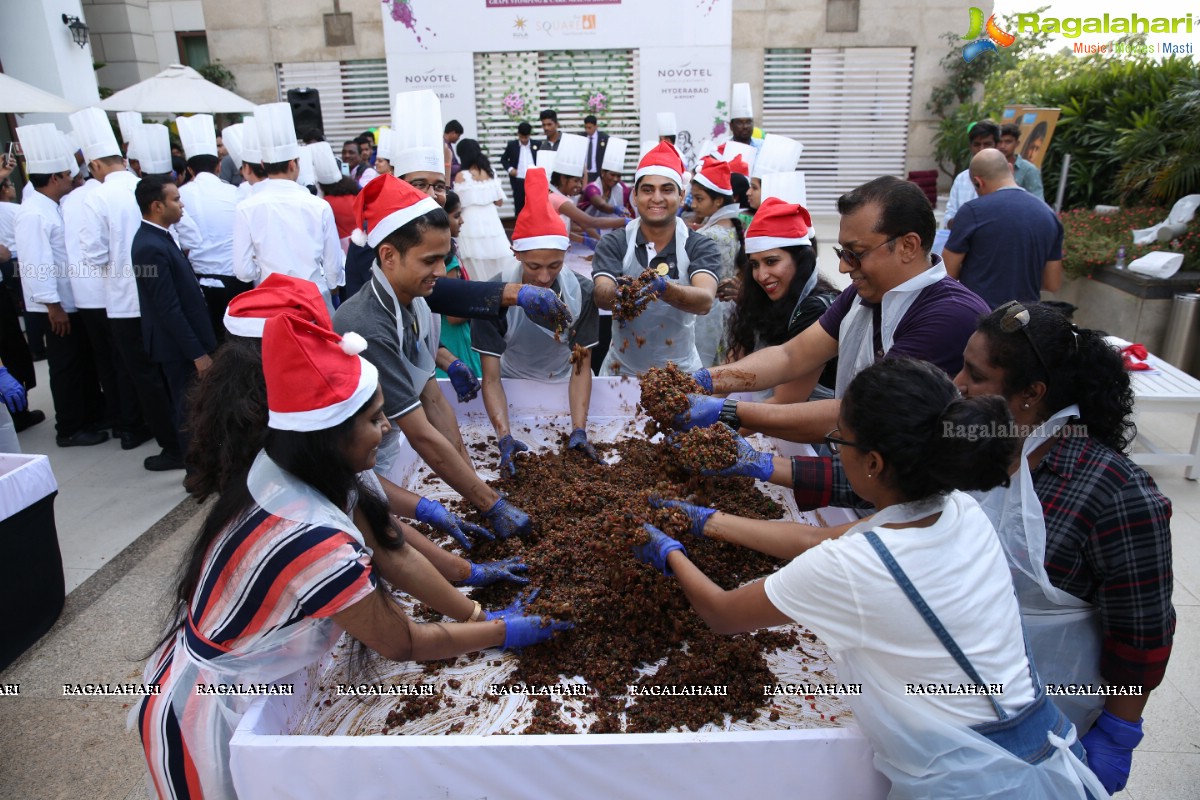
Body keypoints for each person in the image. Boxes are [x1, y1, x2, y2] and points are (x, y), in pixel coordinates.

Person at [136, 311, 569, 800]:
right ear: (328, 436)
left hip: (258, 677)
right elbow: (401, 640)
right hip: (212, 713)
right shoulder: (312, 541)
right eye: (373, 419)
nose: (386, 429)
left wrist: (472, 591)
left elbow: (393, 552)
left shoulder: (303, 468)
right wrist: (503, 631)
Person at [633, 357, 1105, 798]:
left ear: (874, 463)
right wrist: (702, 520)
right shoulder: (959, 508)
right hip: (1045, 745)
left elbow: (721, 613)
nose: (837, 448)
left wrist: (670, 549)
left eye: (840, 441)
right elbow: (819, 541)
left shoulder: (856, 567)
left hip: (975, 780)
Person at [682, 176, 990, 444]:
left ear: (908, 246)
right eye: (842, 253)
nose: (843, 267)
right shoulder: (862, 296)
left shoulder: (946, 316)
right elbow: (791, 356)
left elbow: (860, 414)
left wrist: (729, 413)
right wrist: (703, 380)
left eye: (856, 254)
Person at [333, 175, 533, 537]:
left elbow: (434, 401)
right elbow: (421, 433)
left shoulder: (413, 300)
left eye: (444, 258)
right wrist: (491, 504)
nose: (440, 272)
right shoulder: (368, 324)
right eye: (430, 261)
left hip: (385, 443)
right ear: (388, 256)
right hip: (347, 465)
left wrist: (478, 489)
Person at [472, 166, 601, 472]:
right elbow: (490, 378)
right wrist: (504, 436)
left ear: (566, 254)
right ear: (515, 254)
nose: (544, 277)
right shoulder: (493, 294)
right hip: (511, 387)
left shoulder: (581, 293)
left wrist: (578, 429)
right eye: (533, 266)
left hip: (564, 386)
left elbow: (581, 366)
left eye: (554, 265)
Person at [74, 109, 183, 468]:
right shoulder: (147, 187)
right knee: (172, 374)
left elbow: (95, 253)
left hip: (123, 301)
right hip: (161, 296)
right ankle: (187, 439)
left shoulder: (97, 197)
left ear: (95, 164)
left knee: (145, 377)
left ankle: (171, 446)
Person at [592, 141, 721, 376]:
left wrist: (664, 288)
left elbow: (704, 300)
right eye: (648, 189)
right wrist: (623, 293)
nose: (657, 198)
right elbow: (601, 295)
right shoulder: (615, 243)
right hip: (621, 373)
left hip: (680, 374)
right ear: (635, 196)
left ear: (682, 196)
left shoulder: (699, 245)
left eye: (667, 189)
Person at [14, 124, 107, 447]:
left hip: (67, 302)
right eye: (67, 175)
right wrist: (53, 306)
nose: (73, 180)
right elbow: (34, 264)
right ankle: (69, 427)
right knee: (65, 367)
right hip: (54, 307)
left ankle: (89, 415)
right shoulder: (32, 214)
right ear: (54, 178)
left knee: (80, 362)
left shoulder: (51, 207)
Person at [131, 176, 217, 461]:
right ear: (157, 206)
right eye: (176, 199)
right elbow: (167, 307)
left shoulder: (161, 236)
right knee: (188, 407)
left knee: (197, 405)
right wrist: (197, 353)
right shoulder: (148, 246)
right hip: (178, 346)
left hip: (186, 340)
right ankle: (195, 470)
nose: (181, 205)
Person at [725, 197, 839, 400]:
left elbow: (783, 401)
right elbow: (732, 373)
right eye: (755, 265)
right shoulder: (759, 303)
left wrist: (712, 427)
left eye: (771, 262)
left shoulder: (816, 310)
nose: (761, 275)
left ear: (800, 261)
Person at [233, 103, 344, 310]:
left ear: (263, 166)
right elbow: (333, 266)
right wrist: (332, 287)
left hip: (273, 301)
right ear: (294, 164)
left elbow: (243, 271)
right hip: (314, 298)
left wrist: (264, 269)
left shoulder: (246, 207)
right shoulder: (318, 205)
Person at [942, 149, 1064, 309]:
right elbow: (1052, 283)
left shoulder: (972, 211)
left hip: (979, 317)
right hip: (1025, 320)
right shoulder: (1049, 216)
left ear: (978, 182)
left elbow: (946, 270)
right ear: (1010, 169)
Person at [176, 115, 248, 347]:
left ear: (189, 168)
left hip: (196, 282)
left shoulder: (179, 196)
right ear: (218, 166)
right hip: (234, 281)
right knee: (237, 342)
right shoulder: (234, 193)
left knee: (210, 343)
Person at [689, 156, 745, 368]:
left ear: (719, 201)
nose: (693, 205)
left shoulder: (713, 235)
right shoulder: (728, 225)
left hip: (711, 313)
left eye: (699, 199)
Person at [433, 191, 482, 381]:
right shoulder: (449, 261)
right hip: (453, 339)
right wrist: (481, 305)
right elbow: (454, 314)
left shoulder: (449, 253)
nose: (461, 221)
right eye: (456, 215)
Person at [453, 138, 514, 281]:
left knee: (474, 257)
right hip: (491, 218)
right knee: (497, 255)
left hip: (470, 220)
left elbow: (458, 204)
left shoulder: (462, 176)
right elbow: (499, 202)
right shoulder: (491, 172)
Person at [944, 119, 1000, 229]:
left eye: (987, 144)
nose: (981, 149)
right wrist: (965, 223)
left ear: (997, 146)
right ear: (971, 146)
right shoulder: (961, 179)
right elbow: (949, 216)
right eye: (977, 144)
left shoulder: (1005, 179)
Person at [578, 136, 631, 219]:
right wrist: (615, 209)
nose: (615, 179)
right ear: (603, 173)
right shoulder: (592, 188)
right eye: (612, 175)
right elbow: (601, 205)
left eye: (618, 176)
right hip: (587, 228)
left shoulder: (622, 188)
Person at [501, 121, 540, 217]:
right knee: (519, 207)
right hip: (518, 181)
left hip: (534, 180)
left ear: (529, 135)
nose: (523, 140)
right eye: (521, 137)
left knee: (535, 206)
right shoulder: (512, 145)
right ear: (518, 134)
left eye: (526, 137)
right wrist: (510, 169)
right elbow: (503, 159)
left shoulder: (537, 144)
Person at [998, 122, 1044, 200]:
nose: (1003, 146)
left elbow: (1038, 200)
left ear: (1017, 144)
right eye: (999, 142)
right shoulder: (990, 166)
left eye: (1008, 142)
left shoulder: (1028, 169)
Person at [728, 83, 761, 148]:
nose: (745, 126)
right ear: (731, 126)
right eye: (740, 123)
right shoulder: (722, 151)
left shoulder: (763, 148)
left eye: (748, 122)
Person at [582, 114, 608, 183]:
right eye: (585, 128)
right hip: (584, 174)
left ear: (596, 126)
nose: (587, 130)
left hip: (598, 174)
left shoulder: (604, 138)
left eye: (589, 128)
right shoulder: (581, 138)